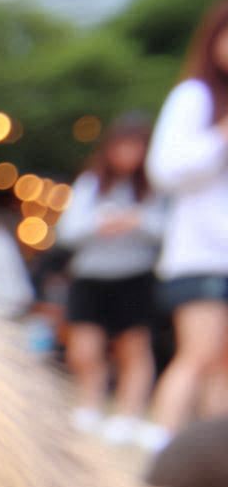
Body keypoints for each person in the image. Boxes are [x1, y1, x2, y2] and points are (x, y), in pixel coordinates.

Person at [143, 0, 228, 452]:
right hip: (200, 256)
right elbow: (165, 169)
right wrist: (220, 136)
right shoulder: (194, 97)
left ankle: (214, 458)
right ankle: (163, 444)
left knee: (223, 365)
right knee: (197, 355)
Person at [56, 114, 163, 445]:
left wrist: (138, 221)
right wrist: (98, 225)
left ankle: (128, 415)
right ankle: (90, 405)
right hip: (91, 276)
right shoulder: (91, 183)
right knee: (84, 349)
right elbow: (67, 232)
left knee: (134, 348)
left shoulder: (154, 187)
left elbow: (168, 229)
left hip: (135, 276)